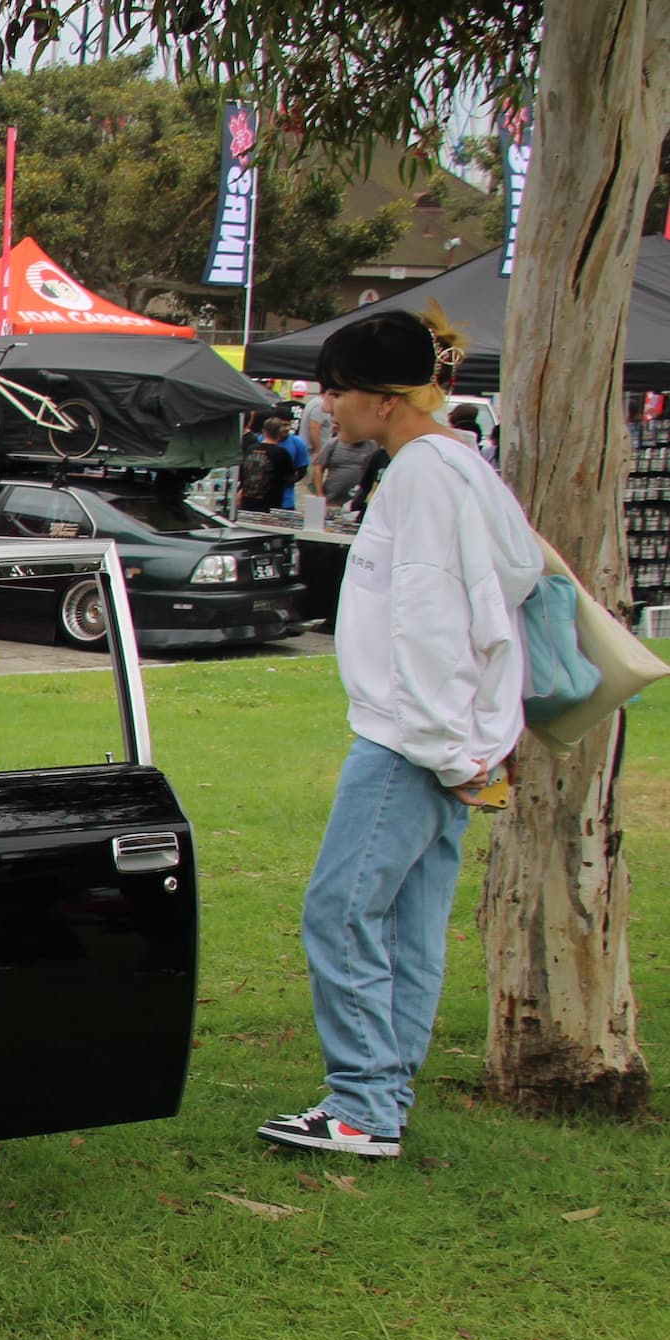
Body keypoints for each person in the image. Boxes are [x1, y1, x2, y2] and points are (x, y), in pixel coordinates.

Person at [262, 308, 538, 1162]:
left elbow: (427, 624)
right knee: (409, 923)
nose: (325, 406)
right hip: (452, 735)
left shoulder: (422, 474)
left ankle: (362, 1105)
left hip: (414, 739)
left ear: (382, 398)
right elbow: (513, 581)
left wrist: (446, 750)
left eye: (334, 390)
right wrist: (471, 746)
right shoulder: (463, 463)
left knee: (341, 911)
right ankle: (383, 1097)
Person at [238, 414, 298, 513]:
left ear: (264, 431)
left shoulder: (250, 449)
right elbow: (290, 478)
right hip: (269, 506)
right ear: (279, 433)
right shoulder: (282, 453)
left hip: (247, 503)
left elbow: (243, 474)